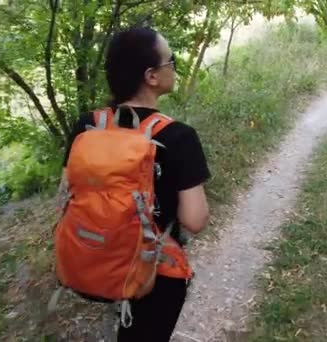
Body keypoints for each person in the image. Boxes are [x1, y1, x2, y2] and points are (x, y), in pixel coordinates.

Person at [62, 27, 210, 341]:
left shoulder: (87, 125)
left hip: (89, 259)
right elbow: (195, 221)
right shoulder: (179, 137)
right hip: (152, 275)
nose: (175, 67)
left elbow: (70, 188)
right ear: (151, 77)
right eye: (171, 61)